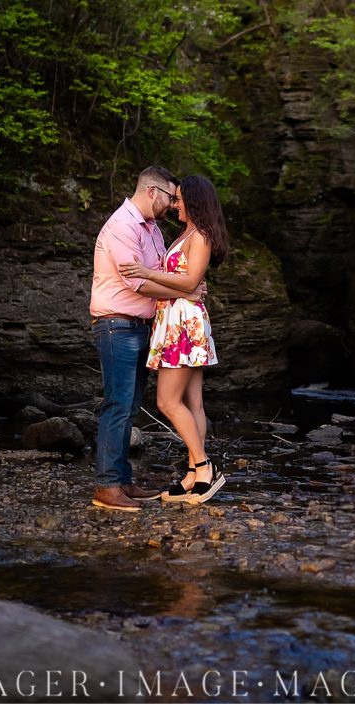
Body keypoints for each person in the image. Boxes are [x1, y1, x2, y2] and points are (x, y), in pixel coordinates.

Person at [88, 166, 200, 512]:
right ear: (152, 191)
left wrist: (187, 286)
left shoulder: (151, 230)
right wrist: (188, 291)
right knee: (117, 405)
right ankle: (107, 487)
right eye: (170, 197)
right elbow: (137, 283)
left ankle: (121, 481)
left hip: (141, 327)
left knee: (131, 407)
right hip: (116, 326)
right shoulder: (122, 226)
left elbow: (165, 275)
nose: (172, 205)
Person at [120, 174, 231, 504]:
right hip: (177, 318)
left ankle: (204, 467)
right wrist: (186, 286)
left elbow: (189, 281)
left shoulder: (202, 235)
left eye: (180, 199)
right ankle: (194, 474)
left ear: (195, 201)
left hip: (184, 323)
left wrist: (147, 272)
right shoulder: (188, 233)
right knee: (193, 403)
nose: (175, 203)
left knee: (167, 401)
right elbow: (189, 284)